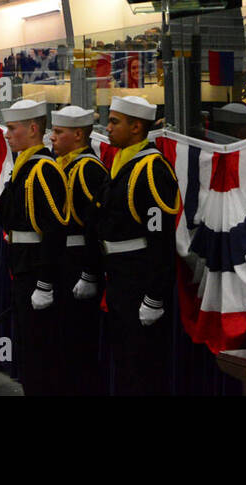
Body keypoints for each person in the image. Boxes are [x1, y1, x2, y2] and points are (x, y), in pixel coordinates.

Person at [97, 96, 179, 395]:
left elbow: (161, 240)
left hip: (139, 280)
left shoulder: (152, 168)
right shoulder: (121, 163)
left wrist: (154, 296)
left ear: (136, 127)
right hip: (119, 277)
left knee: (143, 366)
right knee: (125, 362)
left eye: (115, 122)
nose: (108, 128)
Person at [0, 98, 69, 396]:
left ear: (32, 128)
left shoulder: (43, 169)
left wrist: (45, 282)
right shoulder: (23, 167)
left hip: (35, 268)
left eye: (12, 128)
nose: (6, 134)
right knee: (29, 347)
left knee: (40, 351)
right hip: (22, 264)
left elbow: (53, 231)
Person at [52, 104, 107, 396]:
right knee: (65, 339)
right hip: (64, 260)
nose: (52, 138)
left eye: (59, 132)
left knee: (78, 340)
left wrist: (89, 272)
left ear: (78, 135)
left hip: (77, 262)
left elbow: (94, 226)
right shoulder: (65, 164)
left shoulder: (87, 169)